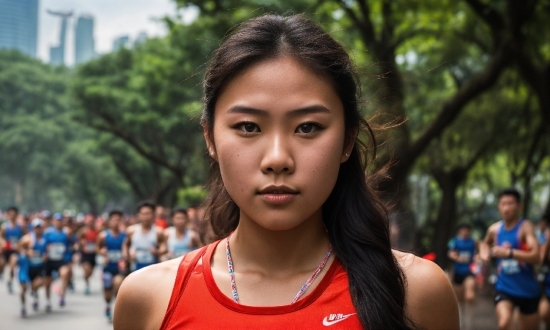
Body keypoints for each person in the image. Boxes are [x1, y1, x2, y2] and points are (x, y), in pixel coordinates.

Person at [114, 14, 458, 330]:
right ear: (210, 137)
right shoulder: (150, 299)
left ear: (347, 140)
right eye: (248, 126)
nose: (277, 159)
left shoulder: (415, 291)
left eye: (307, 128)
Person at [480, 188, 541, 330]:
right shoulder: (494, 229)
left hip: (528, 290)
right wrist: (484, 254)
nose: (506, 207)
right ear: (498, 207)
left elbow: (536, 257)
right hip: (504, 288)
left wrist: (509, 253)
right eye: (503, 203)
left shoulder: (525, 227)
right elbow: (485, 243)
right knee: (504, 323)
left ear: (519, 206)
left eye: (510, 203)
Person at [96, 210, 127, 321]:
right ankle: (108, 305)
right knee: (107, 294)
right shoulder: (103, 236)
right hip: (107, 268)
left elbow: (129, 248)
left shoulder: (126, 236)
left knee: (118, 284)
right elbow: (98, 248)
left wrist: (127, 254)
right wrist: (102, 252)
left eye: (118, 219)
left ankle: (117, 309)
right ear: (109, 222)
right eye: (114, 219)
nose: (116, 222)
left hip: (120, 269)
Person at [447, 223, 478, 330]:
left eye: (467, 230)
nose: (465, 232)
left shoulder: (473, 241)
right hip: (457, 273)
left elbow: (480, 251)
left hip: (469, 272)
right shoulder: (454, 241)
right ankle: (461, 323)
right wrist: (455, 257)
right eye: (462, 230)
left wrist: (478, 258)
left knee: (469, 296)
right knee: (459, 300)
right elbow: (450, 253)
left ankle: (469, 322)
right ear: (459, 231)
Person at [123, 201, 166, 272]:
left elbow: (164, 248)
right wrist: (127, 255)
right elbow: (126, 245)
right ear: (138, 215)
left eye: (148, 213)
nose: (146, 217)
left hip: (153, 269)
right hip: (135, 269)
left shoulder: (159, 232)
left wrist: (157, 252)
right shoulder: (131, 230)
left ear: (153, 215)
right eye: (143, 214)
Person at [17, 218, 47, 317]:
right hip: (26, 267)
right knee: (24, 288)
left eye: (39, 227)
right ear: (33, 228)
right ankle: (23, 306)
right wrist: (26, 252)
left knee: (39, 284)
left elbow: (49, 249)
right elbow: (18, 248)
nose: (38, 229)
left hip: (39, 266)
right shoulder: (27, 238)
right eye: (36, 227)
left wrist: (46, 255)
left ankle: (34, 294)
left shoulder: (46, 238)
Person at [44, 212, 72, 311]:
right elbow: (43, 245)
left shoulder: (66, 232)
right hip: (50, 261)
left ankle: (62, 296)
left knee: (64, 273)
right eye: (56, 220)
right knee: (47, 282)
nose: (58, 222)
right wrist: (45, 252)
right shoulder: (47, 233)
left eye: (60, 221)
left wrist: (69, 259)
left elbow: (70, 246)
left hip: (61, 260)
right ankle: (48, 301)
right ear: (53, 221)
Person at [0, 206, 25, 293]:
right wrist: (3, 242)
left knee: (12, 266)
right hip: (6, 250)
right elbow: (1, 237)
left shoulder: (21, 227)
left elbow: (27, 237)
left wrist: (20, 244)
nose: (12, 216)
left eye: (14, 214)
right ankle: (2, 273)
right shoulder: (5, 227)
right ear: (7, 215)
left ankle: (10, 281)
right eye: (10, 214)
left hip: (15, 251)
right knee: (1, 265)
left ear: (17, 215)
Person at [78, 213, 99, 295]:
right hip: (85, 254)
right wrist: (82, 244)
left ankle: (87, 280)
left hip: (93, 254)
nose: (90, 222)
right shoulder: (82, 231)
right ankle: (86, 284)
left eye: (92, 221)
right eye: (89, 221)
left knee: (90, 272)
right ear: (86, 221)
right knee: (86, 269)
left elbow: (100, 242)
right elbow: (79, 241)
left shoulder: (98, 231)